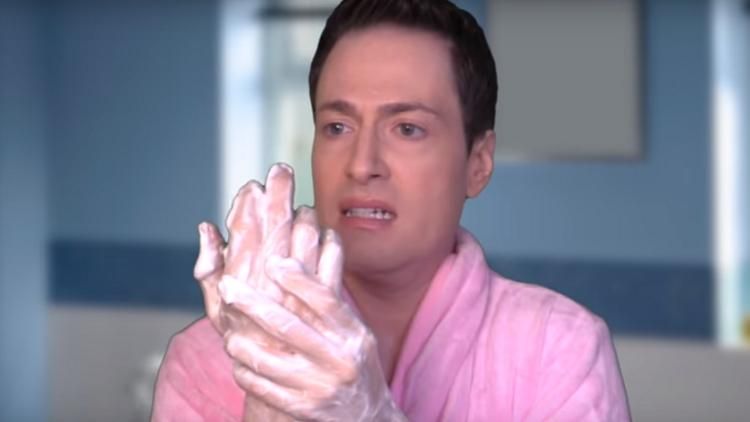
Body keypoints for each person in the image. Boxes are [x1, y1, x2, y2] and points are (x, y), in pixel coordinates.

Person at [152, 0, 631, 420]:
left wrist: (371, 416)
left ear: (478, 163)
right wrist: (274, 406)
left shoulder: (558, 349)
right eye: (338, 127)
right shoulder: (210, 359)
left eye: (407, 129)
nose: (362, 165)